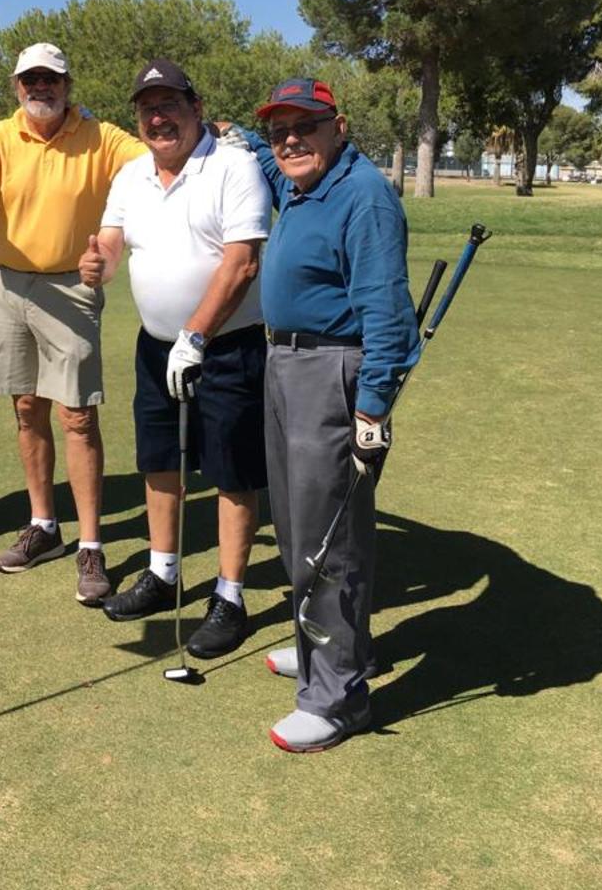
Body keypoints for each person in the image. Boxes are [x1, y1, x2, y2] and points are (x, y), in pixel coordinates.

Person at [232, 78, 420, 751]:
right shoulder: (303, 183)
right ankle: (336, 647)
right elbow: (269, 158)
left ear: (338, 127)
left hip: (333, 371)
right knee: (296, 522)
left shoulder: (362, 195)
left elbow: (388, 315)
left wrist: (371, 409)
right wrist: (238, 135)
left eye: (304, 126)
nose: (289, 140)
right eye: (278, 129)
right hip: (286, 363)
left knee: (327, 536)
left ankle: (336, 698)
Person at [79, 59, 271, 658]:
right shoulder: (132, 174)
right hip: (156, 345)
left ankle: (230, 597)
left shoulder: (234, 166)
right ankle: (164, 574)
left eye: (169, 105)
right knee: (159, 460)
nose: (158, 118)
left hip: (227, 347)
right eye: (147, 109)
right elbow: (114, 244)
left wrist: (196, 335)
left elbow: (242, 262)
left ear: (195, 107)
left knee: (232, 473)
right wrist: (98, 264)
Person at [0, 42, 144, 605]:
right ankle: (44, 526)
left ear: (66, 84)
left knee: (77, 416)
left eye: (50, 79)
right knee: (26, 407)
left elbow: (157, 159)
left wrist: (213, 139)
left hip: (70, 289)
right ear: (17, 87)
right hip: (5, 285)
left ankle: (91, 545)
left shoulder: (101, 137)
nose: (40, 87)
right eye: (30, 79)